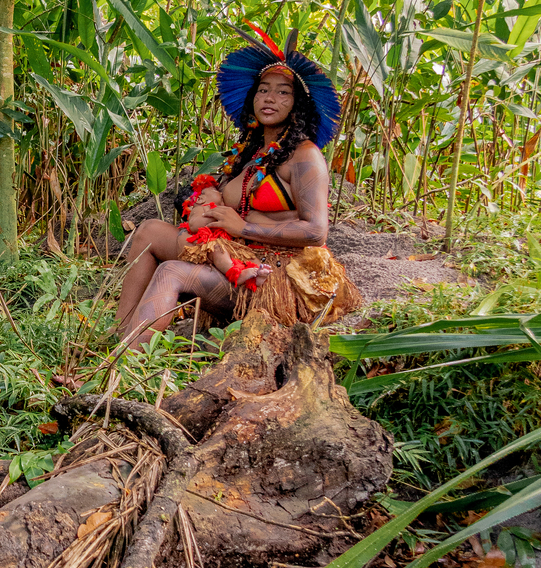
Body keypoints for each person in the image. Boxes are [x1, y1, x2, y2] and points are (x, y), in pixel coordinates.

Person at [116, 26, 361, 348]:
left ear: (298, 104)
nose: (269, 98)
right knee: (148, 230)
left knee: (172, 271)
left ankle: (125, 361)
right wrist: (206, 202)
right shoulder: (250, 153)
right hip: (232, 256)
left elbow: (316, 231)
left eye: (283, 92)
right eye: (263, 90)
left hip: (273, 277)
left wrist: (242, 227)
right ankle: (117, 337)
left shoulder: (305, 157)